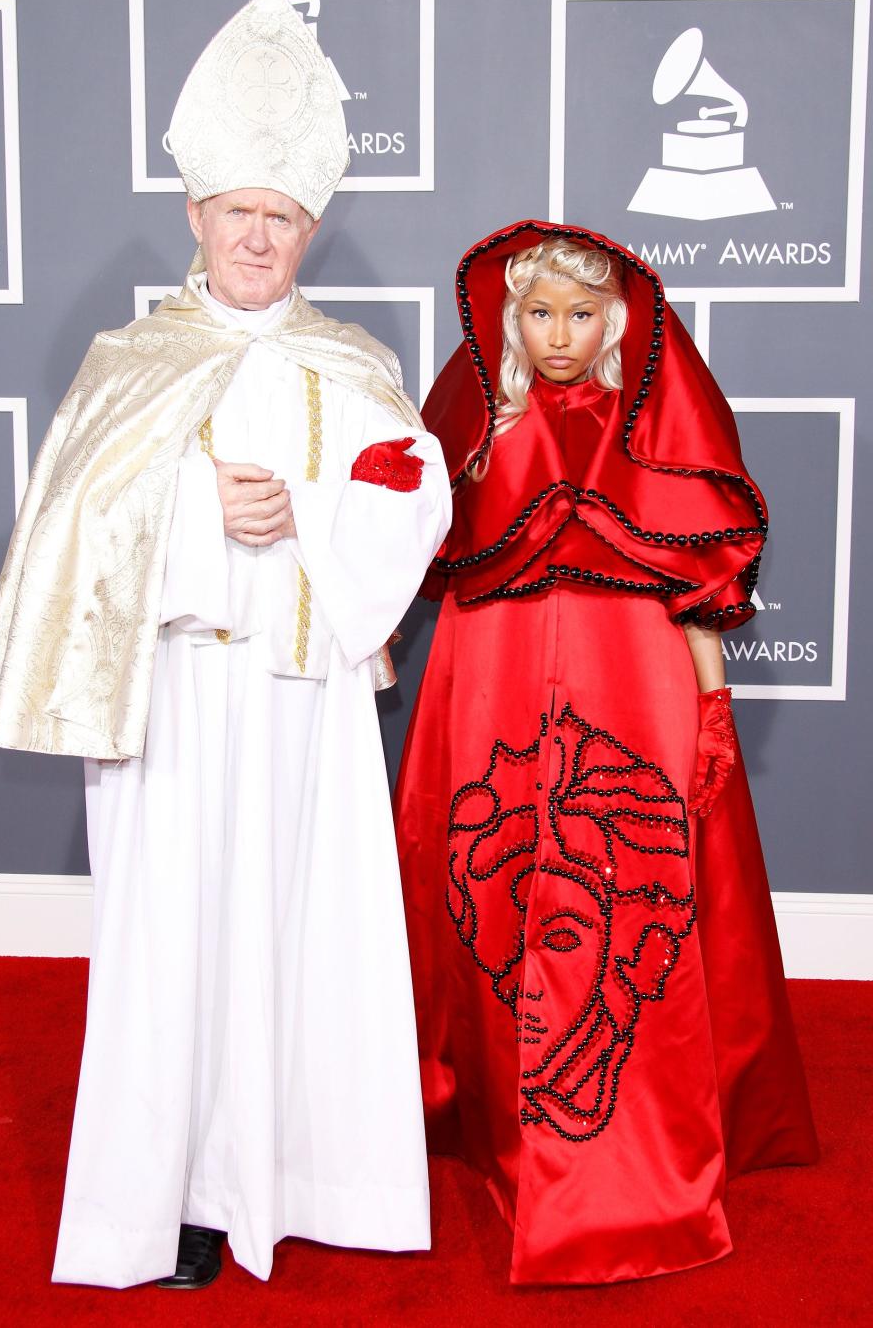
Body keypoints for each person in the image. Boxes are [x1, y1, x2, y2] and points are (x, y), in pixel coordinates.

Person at [0, 0, 451, 1290]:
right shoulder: (131, 361)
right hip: (170, 699)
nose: (259, 237)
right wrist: (191, 508)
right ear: (198, 215)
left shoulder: (351, 361)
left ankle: (297, 1179)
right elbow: (70, 520)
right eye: (240, 211)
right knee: (174, 951)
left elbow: (420, 489)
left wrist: (315, 507)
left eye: (282, 217)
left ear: (308, 225)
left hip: (301, 702)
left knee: (304, 937)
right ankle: (172, 1199)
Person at [394, 221, 818, 1285]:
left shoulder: (651, 427)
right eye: (539, 313)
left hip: (632, 691)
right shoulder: (478, 432)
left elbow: (695, 577)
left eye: (582, 314)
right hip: (488, 685)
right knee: (488, 889)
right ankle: (473, 1101)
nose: (560, 335)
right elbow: (414, 559)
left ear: (618, 322)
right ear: (509, 319)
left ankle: (646, 1149)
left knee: (634, 902)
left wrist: (712, 707)